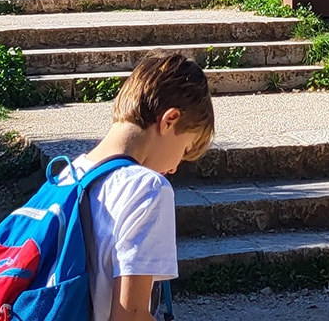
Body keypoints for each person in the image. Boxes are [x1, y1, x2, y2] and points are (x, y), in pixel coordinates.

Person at [63, 53, 215, 321]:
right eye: (185, 149)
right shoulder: (148, 188)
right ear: (169, 120)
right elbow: (129, 316)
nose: (175, 168)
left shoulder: (69, 174)